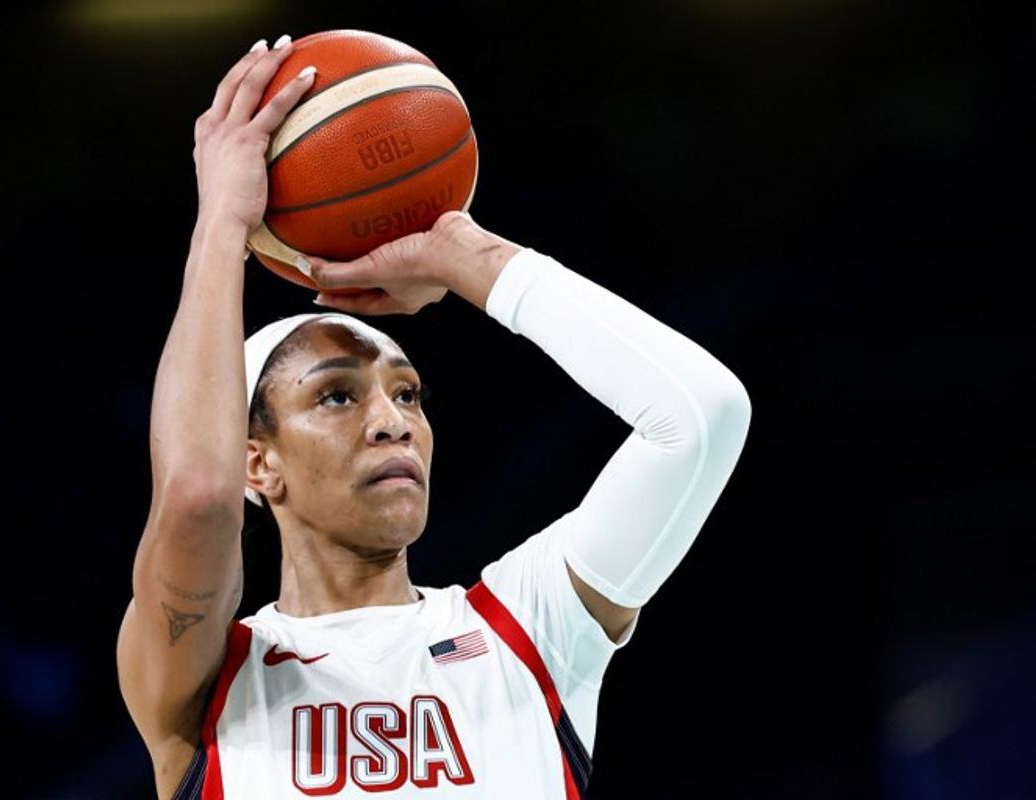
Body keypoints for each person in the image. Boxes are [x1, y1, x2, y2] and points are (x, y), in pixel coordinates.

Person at [116, 34, 752, 800]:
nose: (393, 422)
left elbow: (703, 417)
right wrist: (220, 224)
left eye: (408, 393)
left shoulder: (530, 627)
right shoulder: (212, 674)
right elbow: (194, 498)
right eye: (338, 395)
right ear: (257, 461)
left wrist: (467, 254)